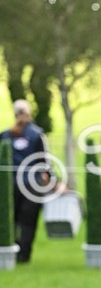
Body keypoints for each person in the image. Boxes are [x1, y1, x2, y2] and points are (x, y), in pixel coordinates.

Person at [0, 100, 52, 263]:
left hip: (9, 185)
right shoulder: (38, 134)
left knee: (10, 220)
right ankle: (24, 254)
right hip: (32, 185)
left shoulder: (5, 135)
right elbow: (45, 161)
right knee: (28, 222)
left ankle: (10, 250)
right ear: (30, 113)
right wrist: (52, 180)